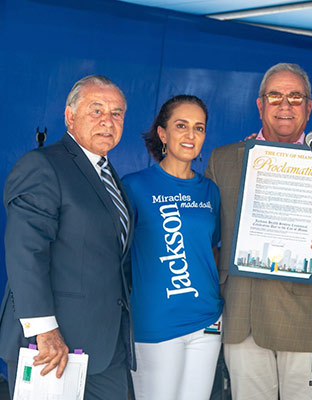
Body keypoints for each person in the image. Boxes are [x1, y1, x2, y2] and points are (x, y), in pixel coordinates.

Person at [205, 62, 312, 400]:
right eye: (275, 96)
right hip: (242, 314)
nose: (285, 105)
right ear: (260, 105)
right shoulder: (224, 160)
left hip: (306, 322)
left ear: (309, 107)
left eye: (295, 97)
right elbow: (204, 233)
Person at [0, 75, 134, 399]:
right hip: (52, 345)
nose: (108, 121)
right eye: (97, 110)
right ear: (70, 116)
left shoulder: (108, 174)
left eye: (116, 113)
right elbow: (26, 251)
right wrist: (44, 331)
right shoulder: (44, 165)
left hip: (105, 344)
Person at [122, 95, 223, 400]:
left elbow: (211, 250)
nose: (191, 136)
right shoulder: (134, 186)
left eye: (199, 128)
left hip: (207, 321)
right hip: (155, 323)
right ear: (163, 134)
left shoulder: (210, 190)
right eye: (181, 126)